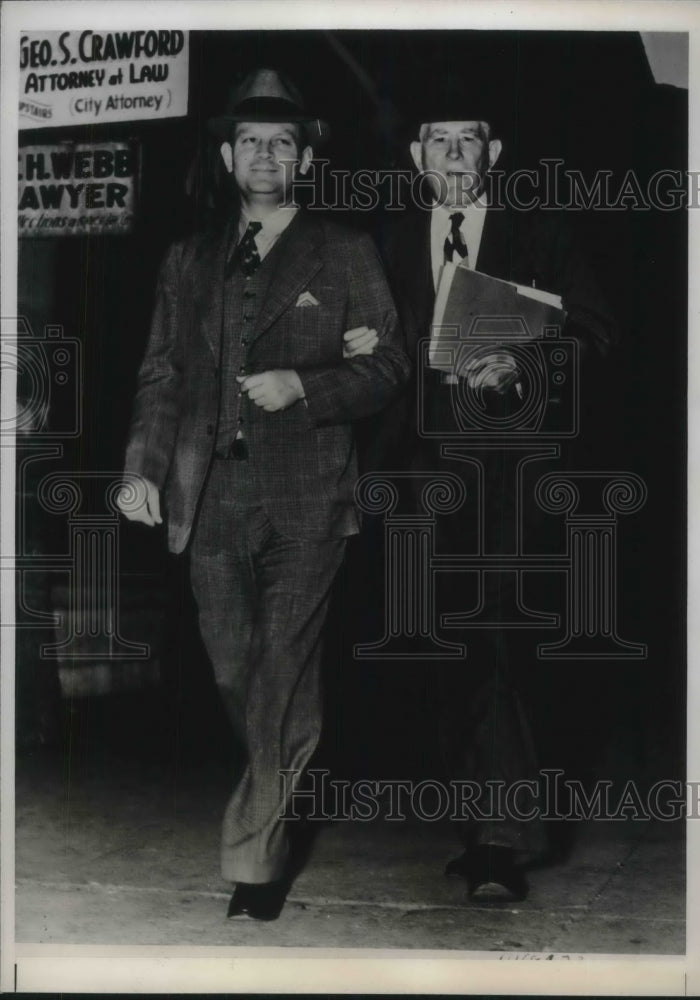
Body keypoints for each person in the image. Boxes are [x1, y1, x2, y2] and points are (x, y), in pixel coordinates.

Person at [120, 68, 408, 921]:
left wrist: (307, 386)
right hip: (206, 500)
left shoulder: (346, 251)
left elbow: (389, 365)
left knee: (280, 670)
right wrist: (141, 468)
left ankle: (254, 860)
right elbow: (162, 373)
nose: (266, 154)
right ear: (225, 156)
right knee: (238, 674)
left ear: (305, 160)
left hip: (308, 500)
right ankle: (279, 794)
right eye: (250, 141)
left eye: (283, 141)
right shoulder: (188, 258)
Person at [374, 88, 616, 900]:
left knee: (501, 640)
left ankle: (499, 840)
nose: (451, 155)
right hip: (417, 480)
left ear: (494, 155)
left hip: (512, 474)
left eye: (467, 141)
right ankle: (480, 821)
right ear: (416, 158)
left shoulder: (540, 232)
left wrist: (524, 357)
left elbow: (597, 330)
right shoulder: (383, 244)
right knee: (442, 652)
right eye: (436, 140)